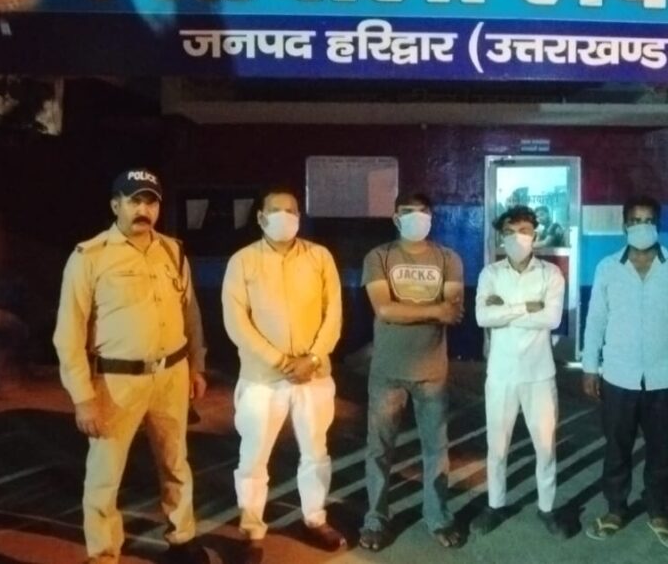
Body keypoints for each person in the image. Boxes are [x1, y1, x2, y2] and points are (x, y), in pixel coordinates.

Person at [52, 168, 209, 564]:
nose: (144, 209)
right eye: (134, 200)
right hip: (115, 381)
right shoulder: (89, 256)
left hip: (171, 376)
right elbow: (68, 334)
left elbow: (190, 314)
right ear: (115, 205)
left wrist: (197, 366)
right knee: (105, 475)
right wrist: (82, 397)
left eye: (151, 202)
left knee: (176, 463)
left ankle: (182, 539)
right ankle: (104, 554)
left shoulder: (173, 251)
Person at [221, 187, 346, 563]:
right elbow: (236, 322)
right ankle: (251, 530)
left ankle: (315, 518)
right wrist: (279, 360)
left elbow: (333, 314)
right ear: (260, 217)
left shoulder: (319, 257)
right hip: (262, 378)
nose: (285, 217)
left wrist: (312, 358)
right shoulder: (243, 261)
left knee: (315, 452)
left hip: (314, 375)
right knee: (253, 458)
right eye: (277, 210)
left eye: (292, 210)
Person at [581, 195, 668, 549]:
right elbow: (596, 319)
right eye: (635, 221)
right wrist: (590, 367)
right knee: (616, 449)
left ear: (658, 225)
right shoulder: (608, 268)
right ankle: (615, 509)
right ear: (625, 225)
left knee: (661, 450)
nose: (641, 227)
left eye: (648, 220)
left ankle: (658, 511)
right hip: (618, 376)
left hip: (666, 378)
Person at [359, 192, 467, 551]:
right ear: (395, 218)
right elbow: (384, 310)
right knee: (379, 449)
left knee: (436, 449)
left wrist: (406, 310)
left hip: (432, 371)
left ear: (431, 217)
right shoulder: (378, 257)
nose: (416, 217)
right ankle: (375, 519)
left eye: (423, 212)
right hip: (387, 370)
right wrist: (433, 310)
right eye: (408, 212)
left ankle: (438, 516)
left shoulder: (448, 258)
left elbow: (453, 311)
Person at [471, 205, 568, 538]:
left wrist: (504, 310)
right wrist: (528, 306)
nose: (517, 238)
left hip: (540, 374)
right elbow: (482, 317)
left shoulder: (551, 274)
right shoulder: (491, 274)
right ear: (501, 237)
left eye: (524, 231)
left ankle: (547, 508)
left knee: (546, 447)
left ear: (535, 235)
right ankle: (495, 505)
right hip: (501, 375)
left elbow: (551, 318)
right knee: (497, 447)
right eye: (510, 232)